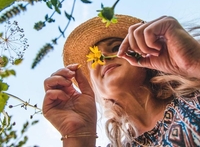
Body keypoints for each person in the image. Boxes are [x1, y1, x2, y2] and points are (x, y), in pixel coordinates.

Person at [42, 14, 200, 147]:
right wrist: (79, 137)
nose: (103, 58)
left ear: (145, 58)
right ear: (95, 88)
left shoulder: (194, 95)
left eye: (116, 48)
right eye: (94, 60)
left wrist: (195, 62)